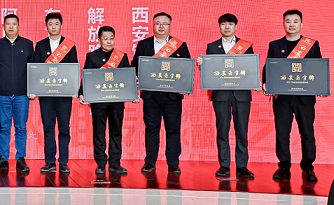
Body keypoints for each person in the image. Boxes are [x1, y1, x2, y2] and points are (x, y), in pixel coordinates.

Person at [263, 9, 322, 182]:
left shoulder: (311, 44)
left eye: (295, 21)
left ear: (301, 24)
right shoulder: (275, 45)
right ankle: (284, 166)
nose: (291, 24)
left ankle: (308, 167)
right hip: (282, 97)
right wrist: (265, 82)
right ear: (283, 24)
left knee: (307, 133)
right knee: (282, 133)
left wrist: (322, 86)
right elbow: (269, 67)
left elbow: (318, 68)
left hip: (304, 98)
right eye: (288, 21)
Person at [196, 14, 255, 179]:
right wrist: (202, 66)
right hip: (221, 95)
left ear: (236, 26)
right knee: (222, 130)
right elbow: (210, 72)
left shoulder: (246, 46)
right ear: (219, 26)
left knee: (242, 130)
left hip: (241, 95)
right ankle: (224, 165)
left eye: (230, 24)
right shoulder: (212, 47)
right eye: (223, 24)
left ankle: (242, 165)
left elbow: (250, 69)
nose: (227, 27)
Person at [131, 12, 191, 174]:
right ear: (153, 25)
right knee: (152, 129)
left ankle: (173, 163)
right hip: (151, 95)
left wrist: (185, 86)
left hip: (172, 96)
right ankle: (150, 162)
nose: (161, 27)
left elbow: (186, 68)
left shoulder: (179, 45)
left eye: (164, 24)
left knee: (173, 129)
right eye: (158, 23)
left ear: (170, 26)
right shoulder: (143, 44)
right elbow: (135, 65)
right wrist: (135, 80)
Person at [79, 26, 132, 176]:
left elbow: (127, 78)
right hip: (99, 102)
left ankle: (115, 164)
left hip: (117, 102)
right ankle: (101, 163)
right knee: (99, 132)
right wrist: (82, 93)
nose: (109, 41)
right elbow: (87, 77)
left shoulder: (122, 56)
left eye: (111, 38)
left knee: (116, 132)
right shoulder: (92, 56)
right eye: (105, 38)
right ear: (99, 40)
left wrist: (133, 93)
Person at [32, 12, 78, 174]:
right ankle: (50, 161)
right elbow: (36, 69)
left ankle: (63, 161)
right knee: (48, 128)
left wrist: (75, 90)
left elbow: (74, 69)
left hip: (64, 95)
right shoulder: (40, 45)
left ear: (61, 25)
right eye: (50, 24)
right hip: (46, 95)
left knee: (64, 128)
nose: (53, 27)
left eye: (56, 24)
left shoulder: (69, 45)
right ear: (46, 26)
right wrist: (33, 90)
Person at [0, 14, 34, 173]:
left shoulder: (28, 44)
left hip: (22, 94)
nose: (10, 27)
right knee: (4, 127)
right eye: (8, 24)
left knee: (21, 127)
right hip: (2, 93)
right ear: (3, 26)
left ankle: (21, 157)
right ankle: (3, 157)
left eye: (13, 24)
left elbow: (33, 69)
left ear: (18, 26)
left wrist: (32, 89)